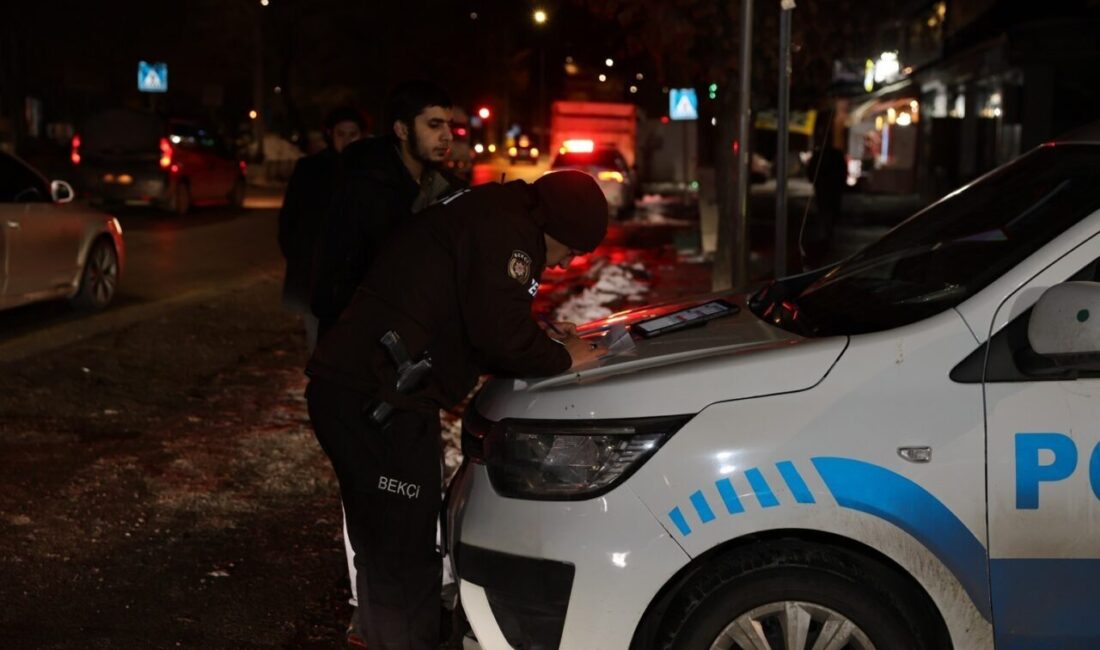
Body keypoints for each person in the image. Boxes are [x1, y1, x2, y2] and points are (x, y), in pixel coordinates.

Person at [305, 170, 610, 650]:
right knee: (401, 554)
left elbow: (478, 312)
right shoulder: (510, 234)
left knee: (389, 550)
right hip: (377, 403)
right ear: (553, 227)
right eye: (570, 250)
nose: (565, 263)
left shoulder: (498, 211)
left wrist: (543, 338)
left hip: (367, 393)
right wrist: (562, 356)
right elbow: (499, 332)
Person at [312, 80, 464, 339]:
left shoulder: (448, 189)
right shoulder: (362, 188)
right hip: (367, 339)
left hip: (422, 337)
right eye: (434, 125)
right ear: (402, 130)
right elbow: (333, 275)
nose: (447, 136)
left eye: (449, 125)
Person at [278, 107, 365, 354]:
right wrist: (298, 254)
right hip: (315, 273)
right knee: (319, 344)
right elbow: (290, 218)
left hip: (357, 275)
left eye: (353, 134)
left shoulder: (370, 170)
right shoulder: (310, 169)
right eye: (341, 133)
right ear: (330, 134)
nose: (347, 140)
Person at [803, 117, 847, 269]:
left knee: (826, 211)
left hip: (826, 188)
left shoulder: (824, 155)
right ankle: (827, 235)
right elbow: (842, 173)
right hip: (830, 189)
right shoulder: (832, 155)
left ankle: (827, 235)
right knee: (829, 211)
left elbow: (811, 172)